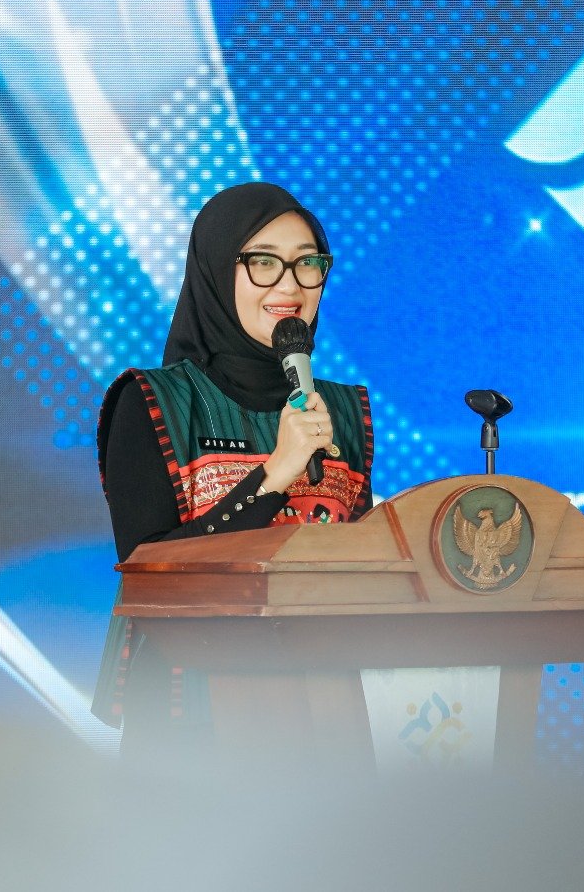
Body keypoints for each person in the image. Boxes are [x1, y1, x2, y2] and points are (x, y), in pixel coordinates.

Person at [93, 182, 375, 737]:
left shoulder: (341, 409)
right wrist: (273, 476)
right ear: (218, 271)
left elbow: (360, 570)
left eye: (307, 263)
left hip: (323, 715)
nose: (289, 285)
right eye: (263, 263)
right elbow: (149, 577)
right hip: (189, 722)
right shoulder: (151, 402)